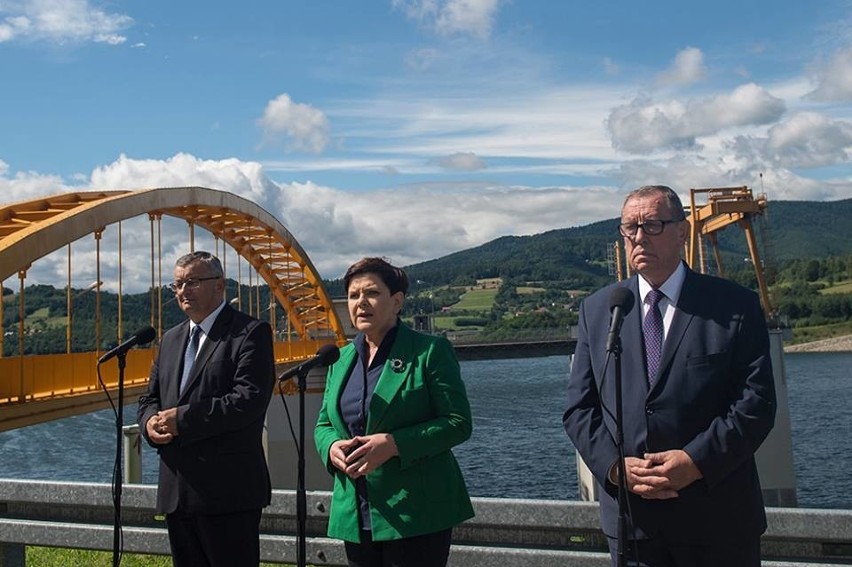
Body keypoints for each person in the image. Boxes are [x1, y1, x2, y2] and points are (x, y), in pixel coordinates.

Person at [563, 185, 776, 567]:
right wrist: (615, 467)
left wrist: (694, 462)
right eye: (630, 227)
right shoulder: (599, 311)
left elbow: (755, 404)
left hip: (718, 523)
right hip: (634, 527)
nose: (639, 236)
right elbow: (579, 410)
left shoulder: (733, 306)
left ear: (682, 232)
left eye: (653, 225)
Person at [315, 257, 474, 567]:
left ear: (397, 301)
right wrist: (331, 447)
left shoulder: (429, 352)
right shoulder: (340, 359)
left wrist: (393, 444)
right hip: (356, 513)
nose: (361, 302)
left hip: (417, 513)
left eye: (371, 293)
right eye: (353, 295)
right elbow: (324, 423)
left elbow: (458, 423)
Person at [137, 251, 275, 567]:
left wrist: (180, 420)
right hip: (177, 491)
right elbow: (149, 399)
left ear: (220, 285)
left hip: (227, 493)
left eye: (193, 282)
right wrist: (149, 424)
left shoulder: (250, 333)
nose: (183, 291)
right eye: (177, 284)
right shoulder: (170, 339)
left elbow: (247, 400)